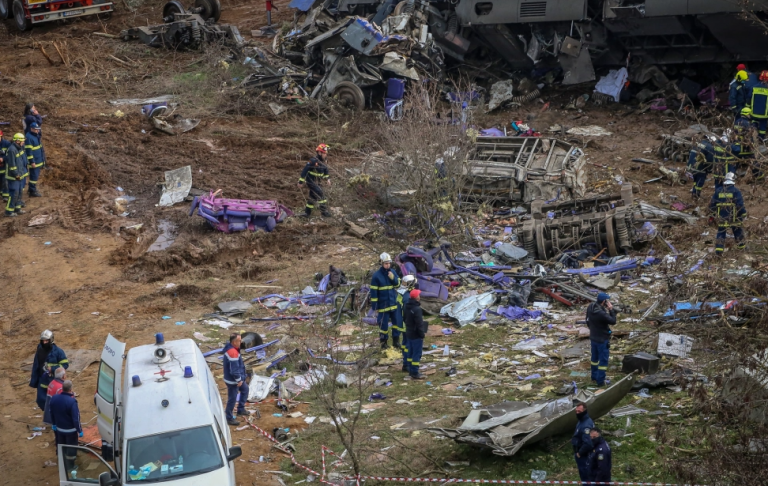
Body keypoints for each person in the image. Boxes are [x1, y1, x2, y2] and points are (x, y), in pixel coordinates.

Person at [29, 330, 68, 412]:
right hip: (42, 380)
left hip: (53, 381)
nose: (45, 342)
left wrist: (53, 369)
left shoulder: (58, 352)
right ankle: (49, 413)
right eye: (43, 341)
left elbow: (65, 364)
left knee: (54, 401)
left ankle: (54, 416)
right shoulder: (39, 349)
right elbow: (36, 364)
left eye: (46, 340)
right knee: (40, 400)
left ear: (51, 340)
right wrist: (34, 378)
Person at [709, 172, 747, 256]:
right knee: (738, 231)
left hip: (721, 217)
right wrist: (743, 214)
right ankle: (741, 247)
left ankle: (719, 251)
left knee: (721, 232)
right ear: (733, 180)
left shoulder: (718, 191)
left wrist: (712, 215)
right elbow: (740, 205)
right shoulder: (736, 191)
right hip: (734, 217)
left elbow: (712, 204)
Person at [369, 252, 401, 349]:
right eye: (386, 263)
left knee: (396, 324)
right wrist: (375, 307)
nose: (388, 265)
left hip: (393, 304)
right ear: (382, 263)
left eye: (389, 263)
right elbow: (373, 293)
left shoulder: (393, 272)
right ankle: (384, 343)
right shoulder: (376, 276)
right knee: (383, 326)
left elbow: (398, 285)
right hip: (383, 306)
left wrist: (393, 278)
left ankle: (396, 341)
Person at [49, 380, 82, 470]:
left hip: (59, 429)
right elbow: (76, 418)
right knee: (71, 448)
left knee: (61, 445)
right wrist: (79, 430)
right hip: (70, 431)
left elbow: (51, 412)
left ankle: (61, 462)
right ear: (71, 389)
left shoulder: (54, 398)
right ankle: (70, 466)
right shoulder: (72, 402)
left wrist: (54, 424)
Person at [586, 292, 616, 386]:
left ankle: (594, 376)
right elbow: (613, 321)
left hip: (593, 337)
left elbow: (587, 320)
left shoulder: (591, 307)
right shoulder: (601, 313)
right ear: (604, 301)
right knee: (603, 361)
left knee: (594, 359)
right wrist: (611, 310)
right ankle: (600, 381)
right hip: (602, 339)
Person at [298, 144, 331, 218]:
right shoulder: (313, 161)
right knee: (320, 193)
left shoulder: (324, 162)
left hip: (318, 183)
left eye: (326, 153)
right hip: (311, 182)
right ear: (319, 152)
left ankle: (307, 213)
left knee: (312, 197)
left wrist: (328, 179)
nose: (326, 155)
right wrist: (300, 182)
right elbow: (304, 171)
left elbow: (326, 171)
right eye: (324, 153)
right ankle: (324, 212)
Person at [223, 333, 249, 426]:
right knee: (232, 399)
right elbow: (234, 370)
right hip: (233, 381)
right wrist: (239, 380)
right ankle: (229, 418)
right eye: (239, 340)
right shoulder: (233, 353)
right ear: (234, 342)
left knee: (245, 389)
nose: (241, 342)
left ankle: (241, 409)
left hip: (236, 379)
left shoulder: (233, 349)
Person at [393, 274, 417, 372]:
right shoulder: (407, 297)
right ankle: (407, 364)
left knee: (404, 343)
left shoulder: (401, 293)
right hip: (406, 323)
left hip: (401, 322)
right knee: (408, 344)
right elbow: (408, 312)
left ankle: (405, 363)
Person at [404, 289, 427, 380]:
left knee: (410, 352)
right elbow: (419, 324)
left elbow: (404, 318)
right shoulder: (417, 309)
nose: (420, 296)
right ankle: (415, 372)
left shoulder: (407, 306)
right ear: (417, 297)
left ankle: (410, 370)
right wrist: (422, 334)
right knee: (417, 354)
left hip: (409, 333)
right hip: (416, 334)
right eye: (419, 294)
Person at [5, 133, 28, 217]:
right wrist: (16, 174)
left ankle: (17, 208)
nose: (23, 143)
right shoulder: (12, 150)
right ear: (17, 141)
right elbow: (12, 165)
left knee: (19, 193)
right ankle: (9, 211)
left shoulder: (19, 148)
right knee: (14, 193)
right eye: (22, 141)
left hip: (19, 175)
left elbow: (21, 162)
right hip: (13, 176)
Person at [572, 402, 595, 483]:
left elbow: (588, 443)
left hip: (584, 455)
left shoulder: (586, 425)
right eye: (576, 411)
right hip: (580, 453)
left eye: (579, 412)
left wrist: (580, 453)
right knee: (583, 475)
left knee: (586, 475)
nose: (577, 413)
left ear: (584, 411)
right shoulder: (581, 421)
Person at [24, 122, 44, 197]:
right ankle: (32, 191)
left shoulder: (35, 136)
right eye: (36, 129)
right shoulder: (29, 138)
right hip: (34, 161)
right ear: (31, 129)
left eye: (38, 129)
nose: (37, 131)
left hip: (38, 160)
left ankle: (31, 188)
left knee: (35, 176)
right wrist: (32, 162)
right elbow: (29, 152)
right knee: (33, 177)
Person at [750, 71, 768, 139]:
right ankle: (761, 139)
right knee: (762, 127)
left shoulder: (754, 87)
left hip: (754, 113)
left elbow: (749, 99)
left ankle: (752, 139)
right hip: (764, 114)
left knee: (754, 124)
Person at [0, 131, 10, 201]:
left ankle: (5, 196)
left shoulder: (6, 144)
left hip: (4, 167)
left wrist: (3, 159)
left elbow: (10, 155)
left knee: (5, 182)